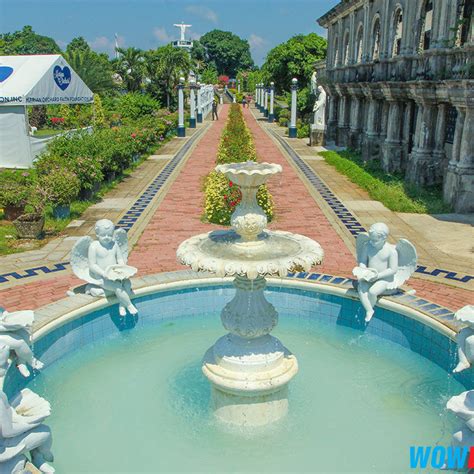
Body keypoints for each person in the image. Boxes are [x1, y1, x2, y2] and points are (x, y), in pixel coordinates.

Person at [88, 219, 138, 316]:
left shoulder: (114, 244)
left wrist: (122, 268)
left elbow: (120, 259)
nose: (107, 238)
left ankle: (121, 305)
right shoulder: (94, 247)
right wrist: (103, 274)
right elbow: (92, 265)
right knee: (117, 287)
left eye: (109, 235)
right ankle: (129, 305)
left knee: (127, 284)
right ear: (97, 235)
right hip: (102, 278)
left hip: (115, 274)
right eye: (103, 235)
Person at [354, 223, 398, 322]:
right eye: (371, 239)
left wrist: (378, 276)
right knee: (361, 287)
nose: (372, 243)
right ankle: (369, 310)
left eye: (375, 241)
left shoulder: (391, 251)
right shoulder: (367, 246)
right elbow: (363, 261)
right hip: (370, 276)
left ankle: (368, 309)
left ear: (384, 238)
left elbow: (393, 269)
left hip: (384, 279)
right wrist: (363, 270)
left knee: (372, 292)